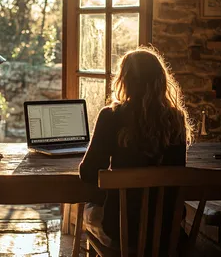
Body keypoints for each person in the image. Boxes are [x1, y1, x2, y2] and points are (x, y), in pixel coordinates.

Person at [79, 46, 193, 253]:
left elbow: (88, 172)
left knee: (88, 212)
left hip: (120, 228)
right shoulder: (176, 119)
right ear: (161, 80)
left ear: (124, 80)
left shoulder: (110, 116)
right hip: (166, 230)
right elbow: (178, 172)